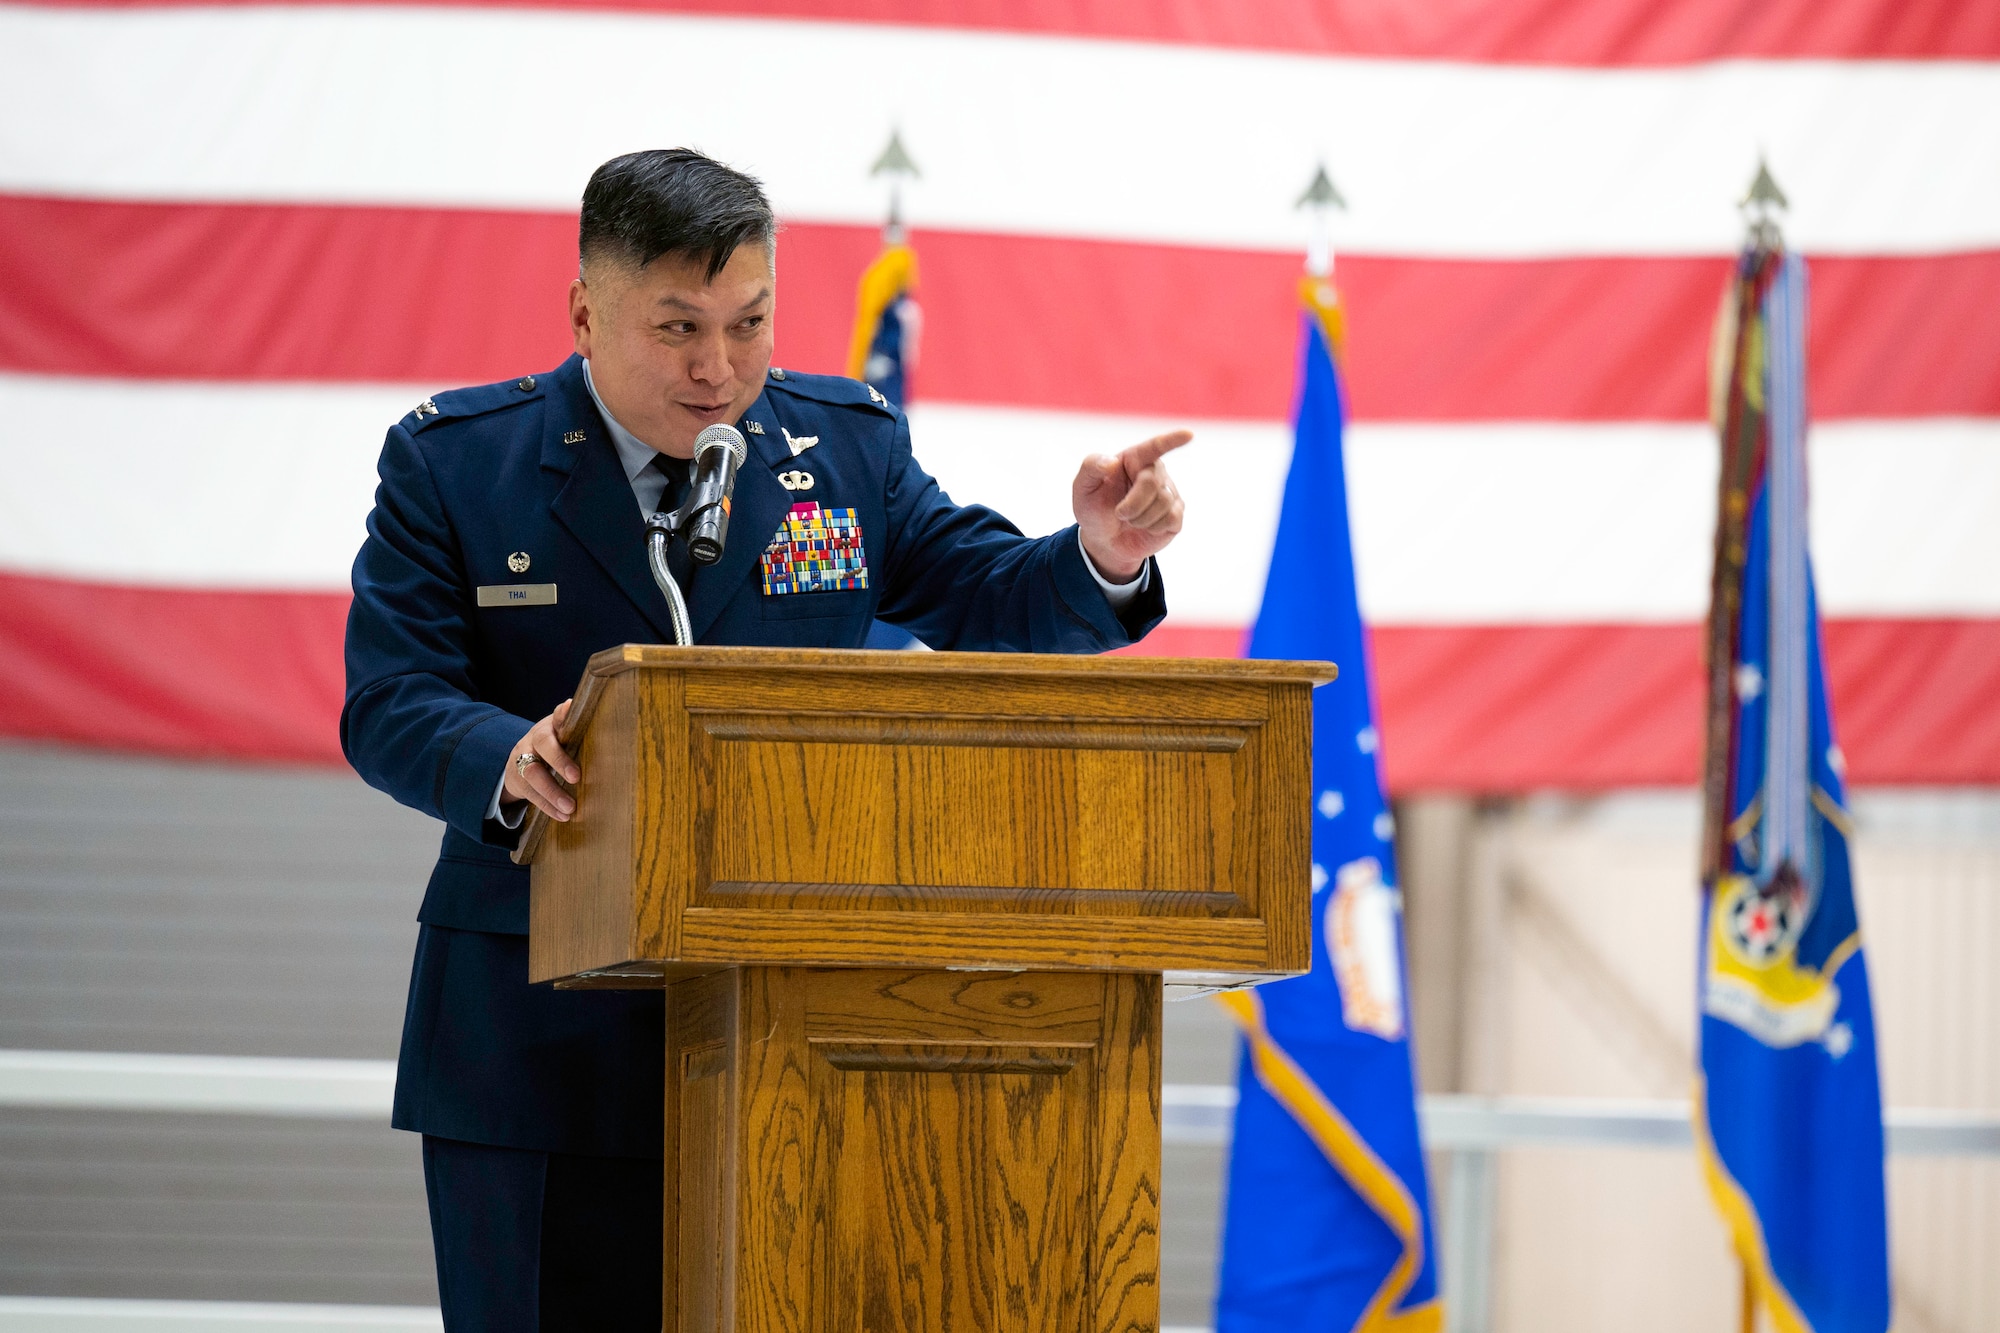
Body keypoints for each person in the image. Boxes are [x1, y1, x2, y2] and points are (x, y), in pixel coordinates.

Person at [342, 147, 1188, 1329]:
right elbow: (389, 699)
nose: (721, 368)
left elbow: (987, 593)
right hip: (533, 1048)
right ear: (585, 310)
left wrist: (1097, 551)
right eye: (678, 328)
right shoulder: (455, 464)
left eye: (750, 323)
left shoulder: (839, 447)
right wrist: (505, 755)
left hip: (800, 1045)